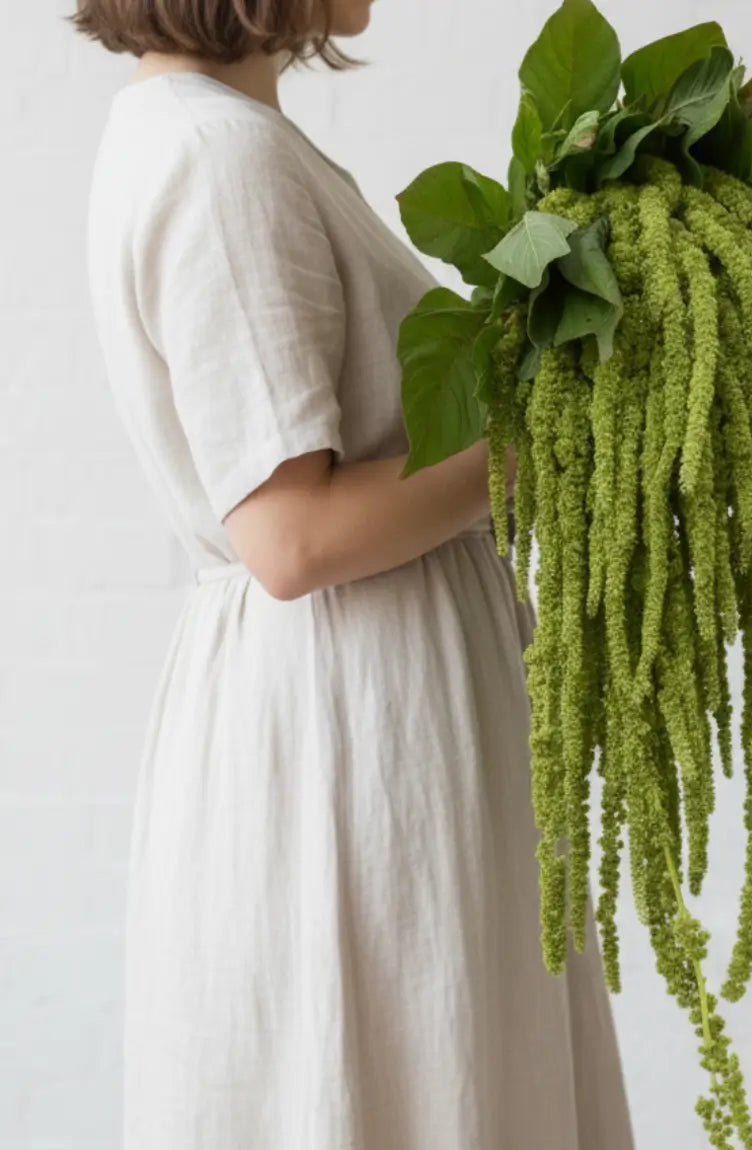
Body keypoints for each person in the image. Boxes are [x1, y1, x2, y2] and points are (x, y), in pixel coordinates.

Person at [70, 1, 637, 1147]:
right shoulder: (217, 158)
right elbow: (292, 536)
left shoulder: (202, 135)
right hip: (356, 717)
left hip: (349, 704)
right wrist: (543, 438)